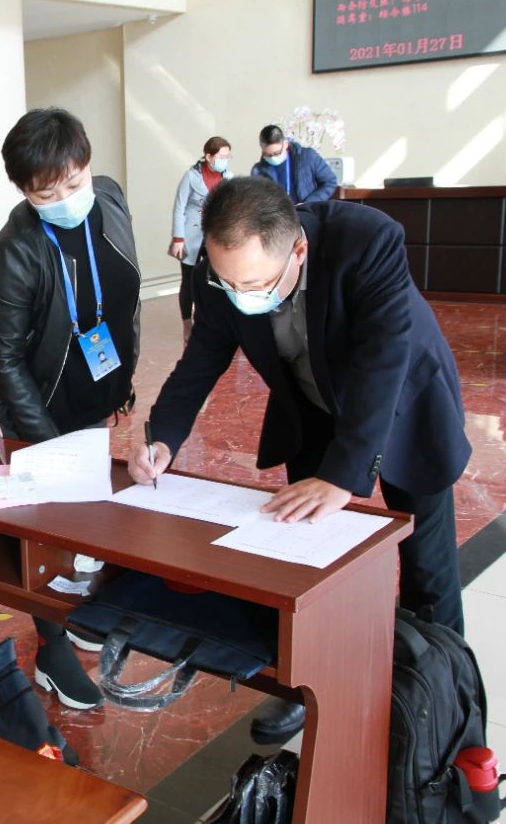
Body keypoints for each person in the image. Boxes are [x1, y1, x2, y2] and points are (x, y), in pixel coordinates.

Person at [129, 176, 470, 742]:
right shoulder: (223, 269)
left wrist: (342, 475)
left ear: (299, 250)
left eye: (254, 284)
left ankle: (443, 702)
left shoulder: (368, 240)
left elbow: (385, 361)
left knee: (427, 571)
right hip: (312, 408)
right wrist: (162, 436)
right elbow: (201, 360)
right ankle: (311, 685)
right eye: (227, 282)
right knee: (307, 567)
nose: (238, 293)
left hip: (406, 405)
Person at [0, 108, 142, 711]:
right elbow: (4, 357)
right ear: (23, 191)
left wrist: (118, 386)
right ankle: (51, 648)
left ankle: (80, 617)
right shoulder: (12, 252)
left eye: (74, 183)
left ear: (88, 165)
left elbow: (121, 302)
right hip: (33, 404)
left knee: (90, 518)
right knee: (43, 534)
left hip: (91, 389)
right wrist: (46, 443)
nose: (66, 200)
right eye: (46, 194)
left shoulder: (111, 198)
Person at [170, 136, 233, 342]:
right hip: (191, 234)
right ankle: (187, 324)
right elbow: (179, 207)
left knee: (215, 279)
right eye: (221, 157)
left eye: (227, 157)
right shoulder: (191, 176)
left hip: (216, 234)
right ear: (208, 156)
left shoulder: (229, 177)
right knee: (189, 280)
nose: (225, 161)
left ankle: (208, 322)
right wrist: (178, 238)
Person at [250, 125, 337, 204]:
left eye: (276, 153)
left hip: (309, 210)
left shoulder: (308, 157)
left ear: (285, 145)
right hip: (280, 214)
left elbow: (330, 182)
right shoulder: (258, 171)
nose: (272, 158)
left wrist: (309, 203)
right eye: (267, 155)